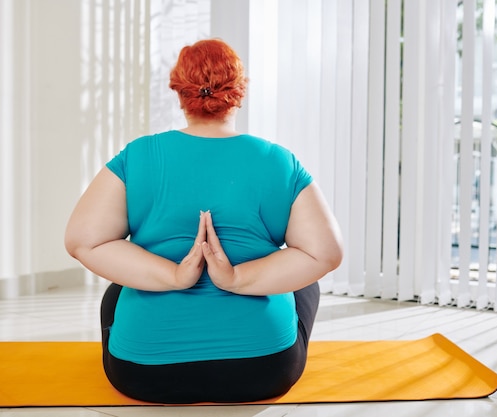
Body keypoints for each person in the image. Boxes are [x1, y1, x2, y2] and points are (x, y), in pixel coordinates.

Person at [64, 38, 343, 404]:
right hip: (263, 371)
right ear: (238, 93)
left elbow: (83, 242)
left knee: (118, 287)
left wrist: (174, 276)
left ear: (181, 93)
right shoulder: (278, 160)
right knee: (305, 281)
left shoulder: (138, 155)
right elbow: (326, 254)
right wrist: (237, 278)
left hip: (144, 376)